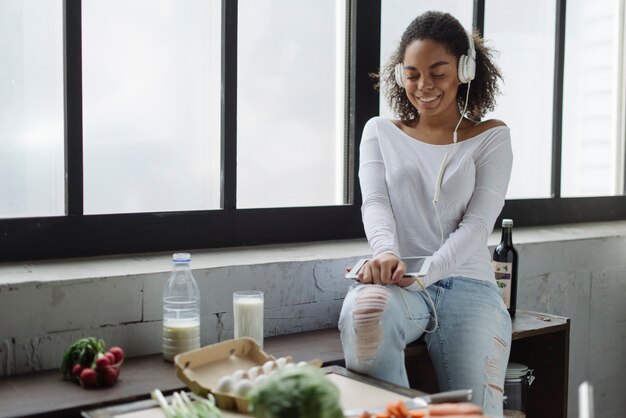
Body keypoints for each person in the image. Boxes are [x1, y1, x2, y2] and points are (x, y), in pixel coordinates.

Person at [338, 11, 513, 417]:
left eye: (438, 72)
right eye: (413, 74)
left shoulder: (491, 137)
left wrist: (427, 273)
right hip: (400, 281)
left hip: (467, 284)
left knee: (476, 413)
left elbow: (477, 224)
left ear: (465, 70)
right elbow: (376, 203)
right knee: (365, 315)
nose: (424, 86)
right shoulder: (379, 132)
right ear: (400, 76)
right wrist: (385, 253)